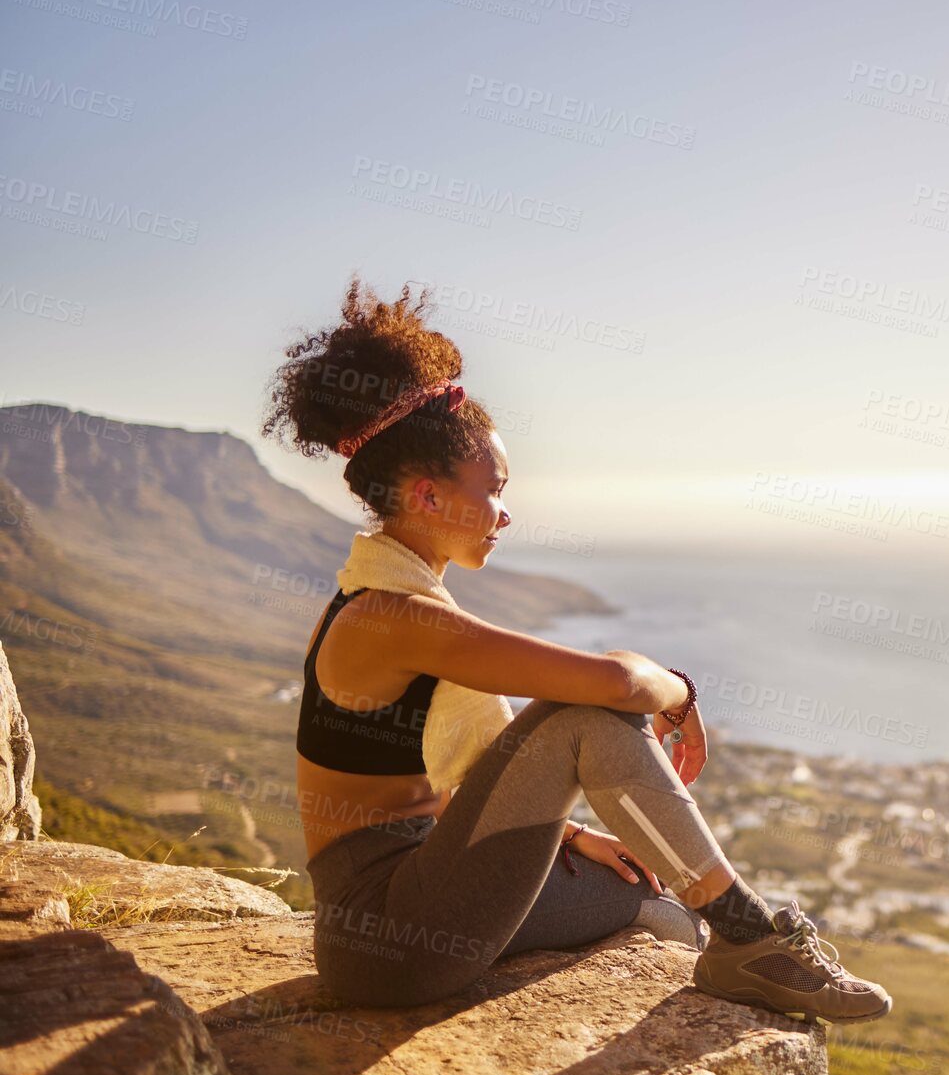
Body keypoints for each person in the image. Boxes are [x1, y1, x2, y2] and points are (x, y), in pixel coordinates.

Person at [260, 273, 892, 1024]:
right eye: (493, 488)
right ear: (428, 495)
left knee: (653, 904)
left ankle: (729, 954)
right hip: (391, 936)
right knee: (581, 715)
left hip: (422, 901)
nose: (505, 512)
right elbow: (617, 685)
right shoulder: (392, 617)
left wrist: (565, 832)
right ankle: (753, 935)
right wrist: (680, 692)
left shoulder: (378, 597)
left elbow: (436, 780)